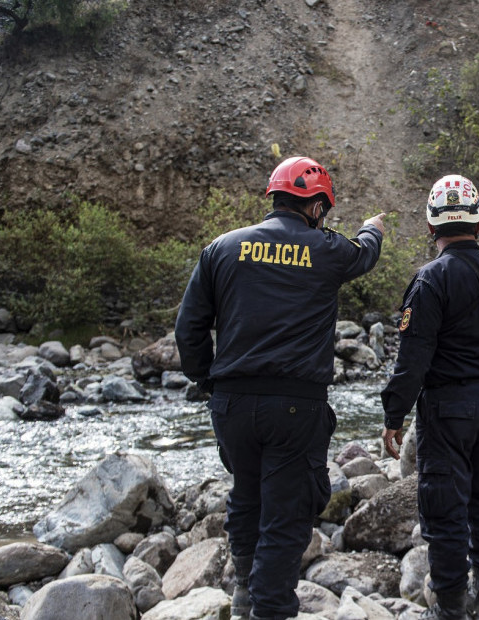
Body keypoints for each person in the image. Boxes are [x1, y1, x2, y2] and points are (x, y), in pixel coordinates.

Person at [175, 156, 386, 620]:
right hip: (295, 405)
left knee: (246, 496)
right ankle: (268, 609)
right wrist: (373, 227)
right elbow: (364, 252)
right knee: (285, 517)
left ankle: (245, 597)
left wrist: (208, 379)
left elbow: (189, 328)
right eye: (323, 210)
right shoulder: (327, 247)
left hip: (232, 402)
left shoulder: (222, 248)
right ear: (315, 206)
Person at [380, 174, 479, 620]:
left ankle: (451, 608)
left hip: (446, 408)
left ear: (431, 227)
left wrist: (393, 414)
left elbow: (413, 360)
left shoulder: (429, 281)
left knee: (444, 505)